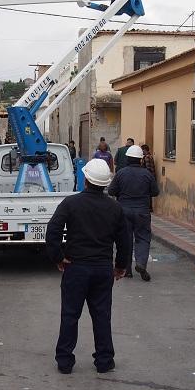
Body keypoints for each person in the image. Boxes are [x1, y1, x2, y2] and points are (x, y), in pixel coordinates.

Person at [45, 159, 131, 374]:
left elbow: (53, 230)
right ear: (104, 184)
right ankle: (104, 360)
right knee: (102, 316)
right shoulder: (115, 207)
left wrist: (58, 257)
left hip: (76, 268)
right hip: (102, 269)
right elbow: (125, 240)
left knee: (70, 315)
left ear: (85, 180)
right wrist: (120, 266)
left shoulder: (71, 203)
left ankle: (65, 361)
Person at [108, 145, 159, 281]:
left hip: (124, 210)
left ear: (128, 158)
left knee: (126, 240)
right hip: (142, 211)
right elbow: (155, 192)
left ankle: (127, 269)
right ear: (140, 160)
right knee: (143, 237)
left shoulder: (121, 173)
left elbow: (111, 191)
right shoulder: (147, 174)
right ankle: (141, 263)